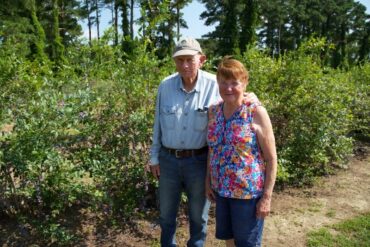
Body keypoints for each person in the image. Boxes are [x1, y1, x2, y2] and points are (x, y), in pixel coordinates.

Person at [148, 38, 258, 247]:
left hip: (199, 161)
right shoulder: (165, 85)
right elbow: (158, 123)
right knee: (166, 216)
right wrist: (154, 156)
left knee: (199, 218)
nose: (185, 65)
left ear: (202, 59)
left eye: (189, 59)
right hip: (168, 161)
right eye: (180, 60)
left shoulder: (214, 85)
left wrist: (252, 97)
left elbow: (236, 95)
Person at [205, 57, 277, 247]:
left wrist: (266, 198)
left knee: (247, 243)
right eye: (223, 82)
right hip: (221, 190)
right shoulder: (214, 111)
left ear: (245, 83)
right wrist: (208, 182)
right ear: (218, 83)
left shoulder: (255, 112)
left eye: (234, 83)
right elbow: (213, 150)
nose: (228, 88)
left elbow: (271, 159)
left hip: (247, 194)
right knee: (229, 239)